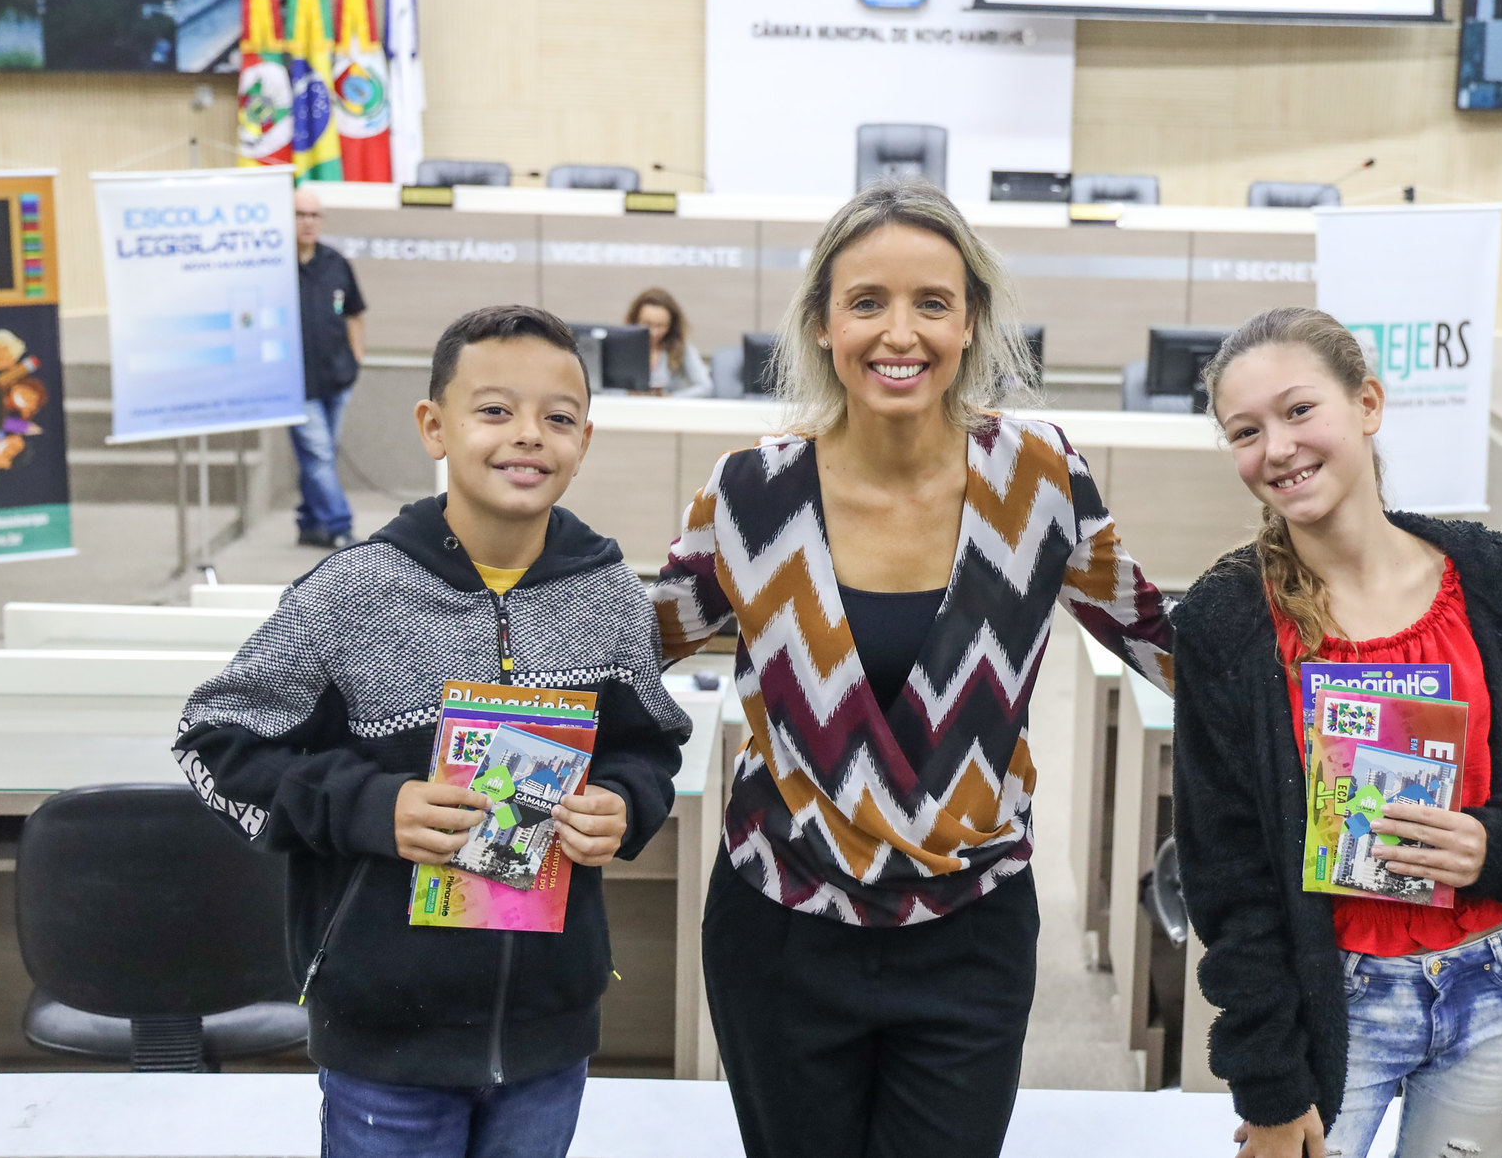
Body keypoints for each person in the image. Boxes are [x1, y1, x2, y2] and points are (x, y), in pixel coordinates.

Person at [648, 178, 1174, 1158]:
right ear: (820, 324)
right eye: (867, 303)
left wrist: (1349, 632)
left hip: (970, 932)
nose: (901, 333)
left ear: (969, 320)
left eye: (931, 302)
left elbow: (1157, 637)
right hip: (780, 929)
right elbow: (632, 653)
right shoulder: (750, 492)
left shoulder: (1039, 477)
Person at [173, 305, 691, 1158]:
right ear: (434, 427)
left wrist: (624, 806)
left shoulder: (609, 598)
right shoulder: (349, 596)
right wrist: (376, 808)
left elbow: (648, 746)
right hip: (385, 1030)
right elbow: (213, 743)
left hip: (549, 1030)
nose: (527, 436)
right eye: (494, 411)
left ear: (584, 441)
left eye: (557, 419)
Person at [1168, 307, 1502, 1158]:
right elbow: (1225, 878)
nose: (1277, 447)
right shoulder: (1227, 622)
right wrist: (1269, 1085)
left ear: (1368, 405)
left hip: (1496, 989)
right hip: (1334, 1004)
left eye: (1299, 411)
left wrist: (1493, 846)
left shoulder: (1488, 578)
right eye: (1246, 430)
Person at [293, 186, 368, 548]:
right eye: (299, 214)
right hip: (295, 385)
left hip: (337, 378)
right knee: (319, 453)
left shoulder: (336, 263)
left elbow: (354, 312)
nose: (307, 222)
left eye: (313, 215)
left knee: (320, 454)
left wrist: (357, 356)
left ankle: (309, 521)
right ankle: (340, 526)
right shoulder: (273, 266)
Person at [626, 288, 712, 397]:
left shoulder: (682, 348)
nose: (654, 332)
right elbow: (607, 389)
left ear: (671, 325)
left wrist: (671, 397)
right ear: (635, 320)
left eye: (661, 326)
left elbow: (706, 387)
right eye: (647, 324)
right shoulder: (624, 348)